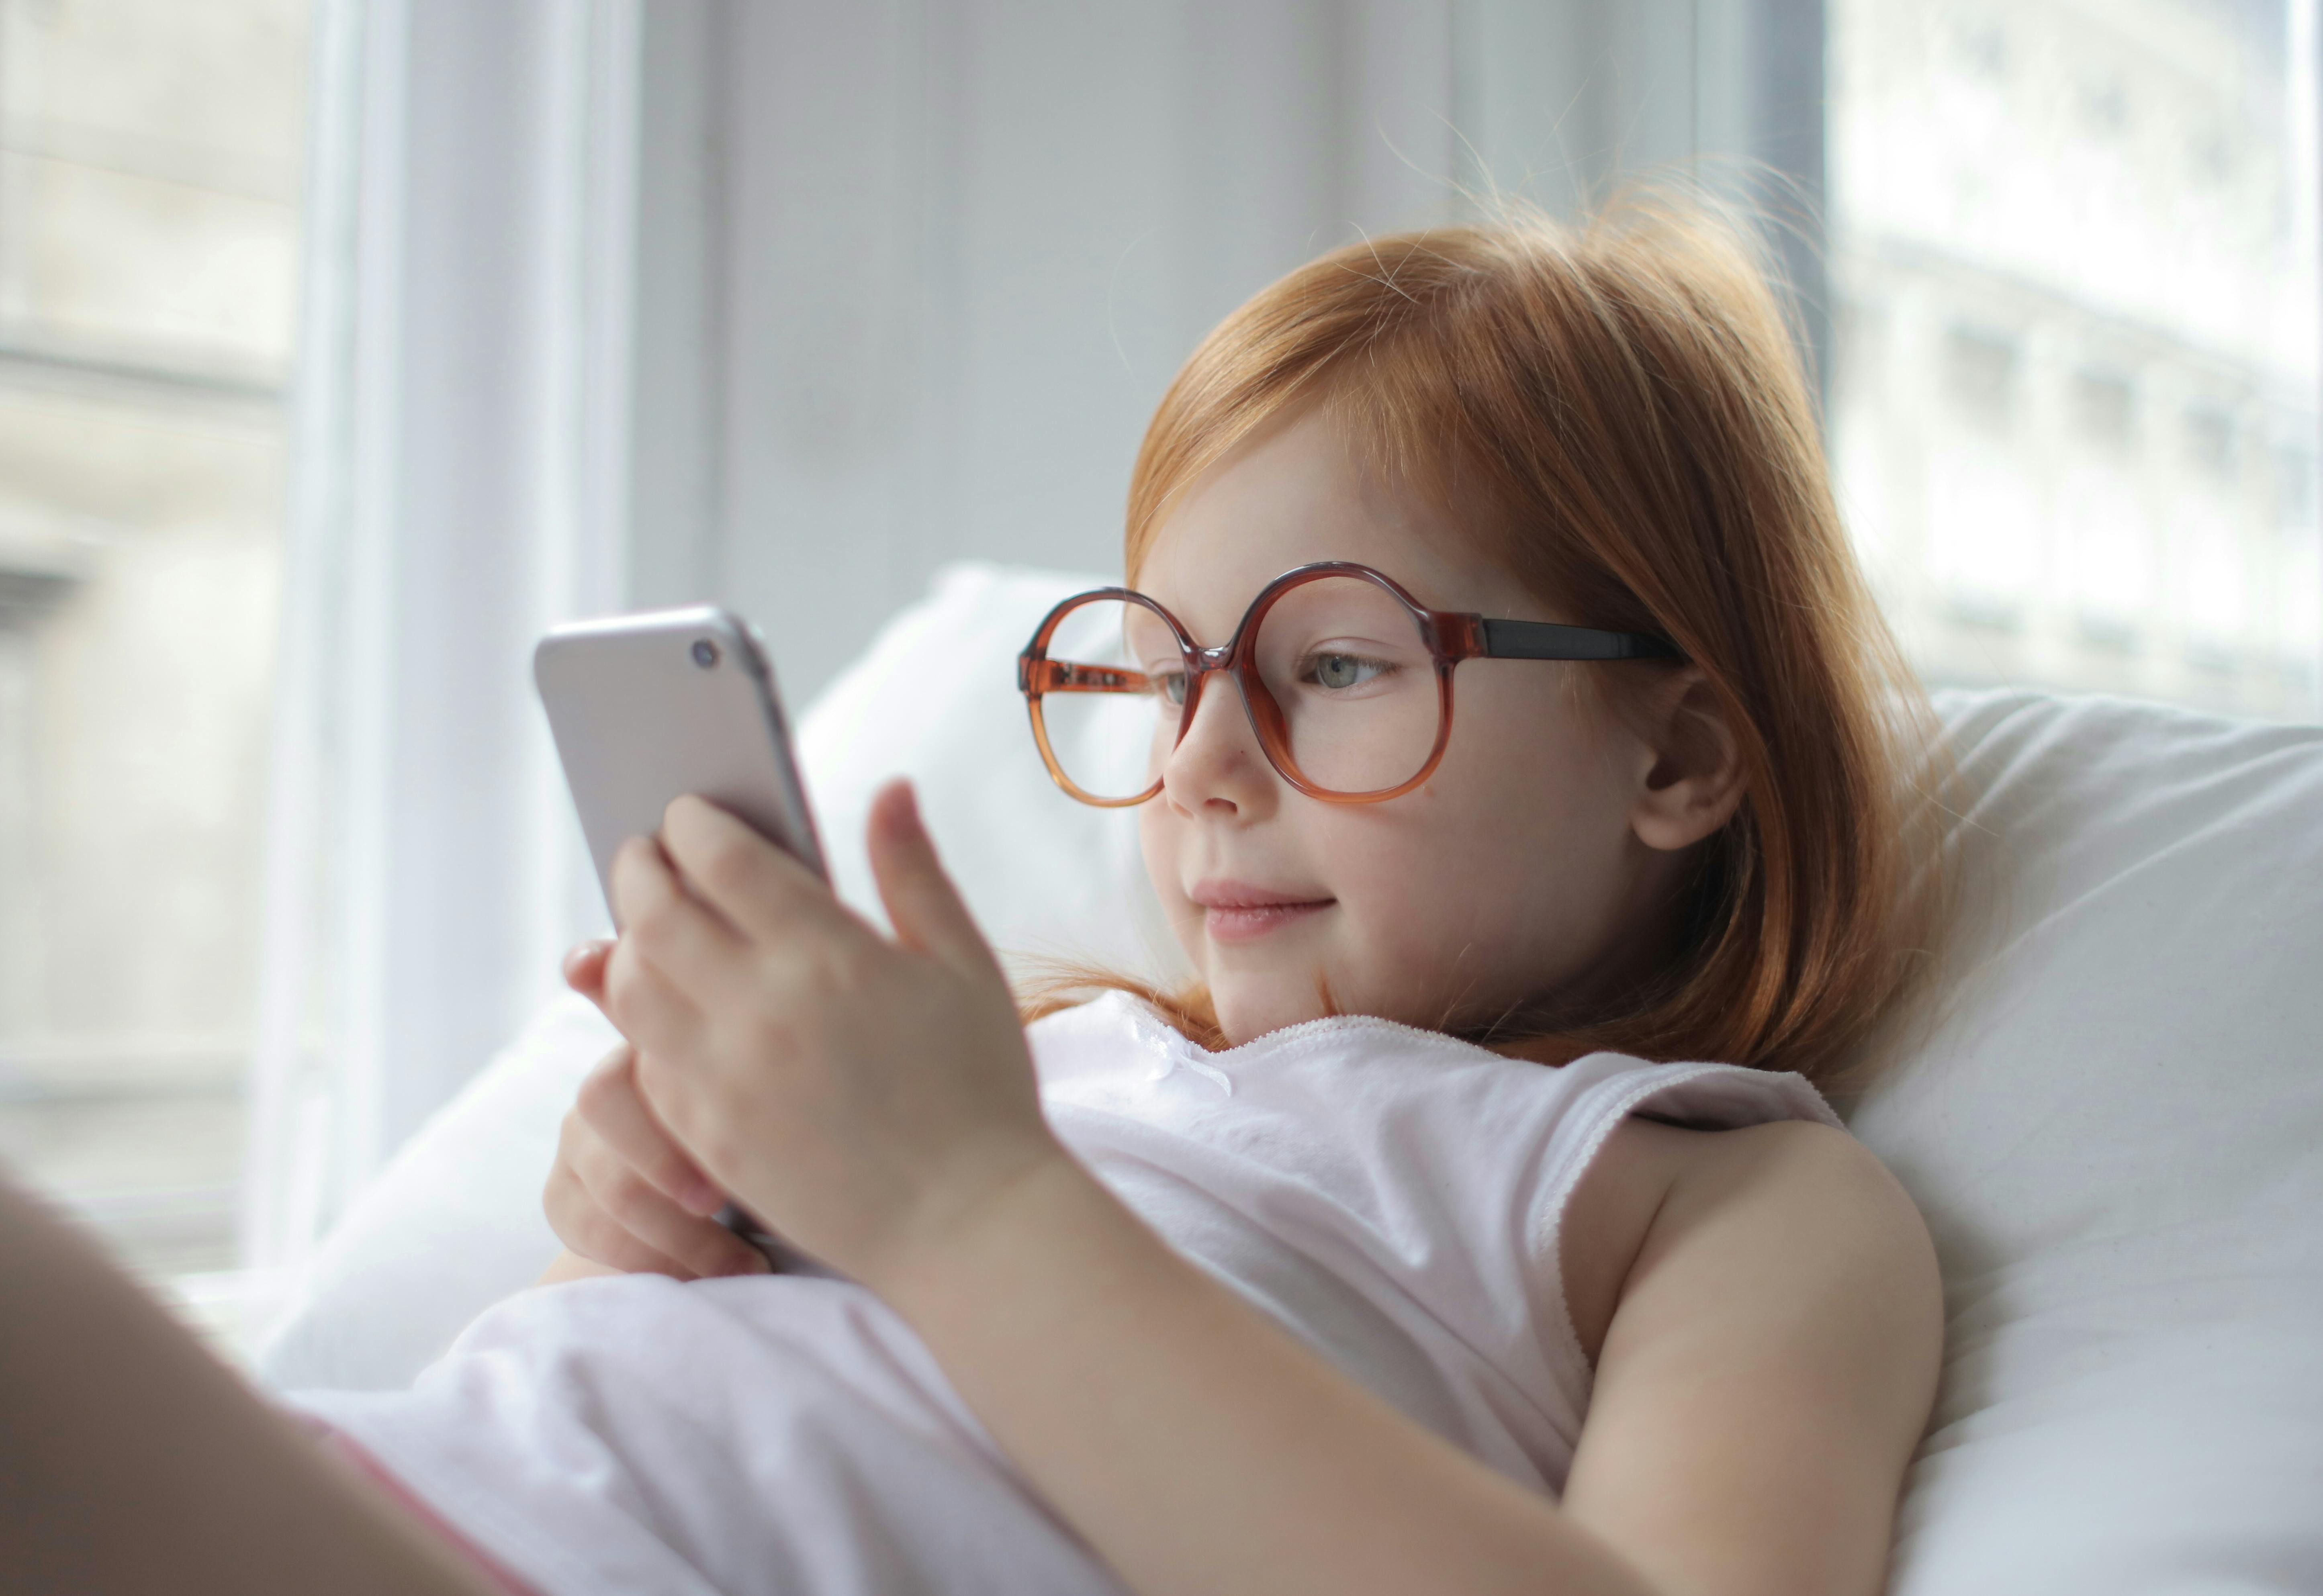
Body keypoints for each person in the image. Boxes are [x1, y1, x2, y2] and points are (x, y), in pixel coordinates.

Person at [0, 198, 1948, 1596]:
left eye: (1335, 663)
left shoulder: (1720, 1194)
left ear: (1680, 757)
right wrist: (661, 1222)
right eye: (1168, 671)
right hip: (419, 1490)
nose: (1199, 759)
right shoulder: (1055, 1059)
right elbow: (625, 1390)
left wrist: (956, 1202)